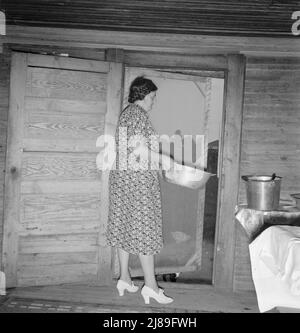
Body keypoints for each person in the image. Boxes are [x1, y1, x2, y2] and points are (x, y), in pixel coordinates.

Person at [105, 76, 174, 305]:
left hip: (123, 181)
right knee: (146, 231)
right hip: (138, 184)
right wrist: (166, 160)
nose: (154, 101)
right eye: (153, 96)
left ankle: (124, 278)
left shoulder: (126, 114)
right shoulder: (137, 114)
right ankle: (151, 287)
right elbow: (138, 150)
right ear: (143, 95)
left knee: (124, 227)